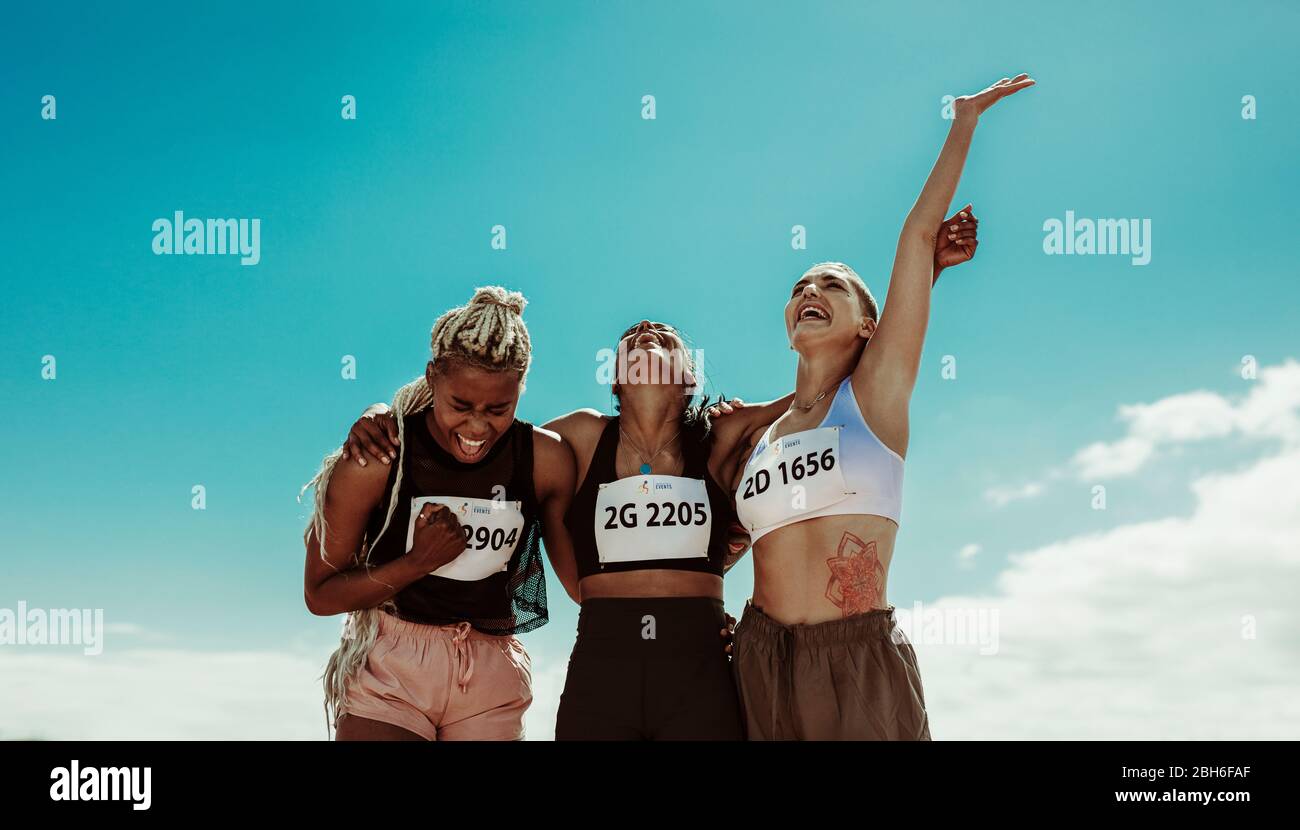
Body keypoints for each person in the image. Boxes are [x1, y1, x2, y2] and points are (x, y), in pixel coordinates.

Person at [724, 74, 1034, 740]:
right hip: (761, 663)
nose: (810, 288)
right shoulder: (760, 435)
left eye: (832, 285)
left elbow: (918, 232)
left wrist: (965, 120)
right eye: (800, 286)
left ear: (870, 323)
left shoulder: (873, 400)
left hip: (857, 658)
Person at [301, 285, 576, 741]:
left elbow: (586, 581)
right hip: (392, 668)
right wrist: (417, 562)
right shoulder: (380, 456)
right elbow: (320, 595)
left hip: (490, 673)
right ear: (432, 377)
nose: (476, 426)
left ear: (521, 388)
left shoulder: (545, 461)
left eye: (498, 409)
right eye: (460, 405)